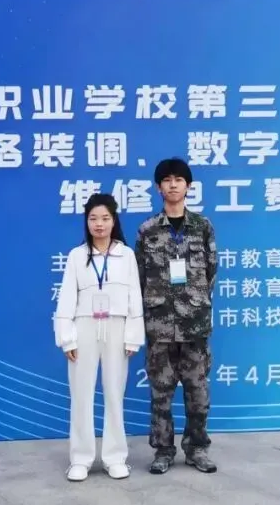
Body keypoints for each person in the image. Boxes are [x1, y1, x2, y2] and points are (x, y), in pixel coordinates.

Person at [53, 193, 146, 482]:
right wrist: (67, 338)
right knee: (81, 394)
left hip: (117, 328)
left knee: (115, 394)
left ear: (114, 220)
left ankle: (114, 457)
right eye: (93, 218)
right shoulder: (77, 256)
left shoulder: (126, 255)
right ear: (87, 222)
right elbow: (66, 299)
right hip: (84, 327)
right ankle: (80, 459)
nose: (99, 224)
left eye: (105, 218)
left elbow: (135, 297)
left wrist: (133, 336)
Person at [134, 158, 219, 475]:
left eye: (179, 180)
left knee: (198, 393)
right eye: (167, 180)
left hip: (195, 326)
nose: (173, 185)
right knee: (161, 394)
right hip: (160, 326)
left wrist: (194, 302)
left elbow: (211, 272)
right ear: (158, 187)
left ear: (188, 186)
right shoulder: (147, 230)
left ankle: (197, 449)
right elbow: (139, 277)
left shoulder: (203, 227)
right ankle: (163, 451)